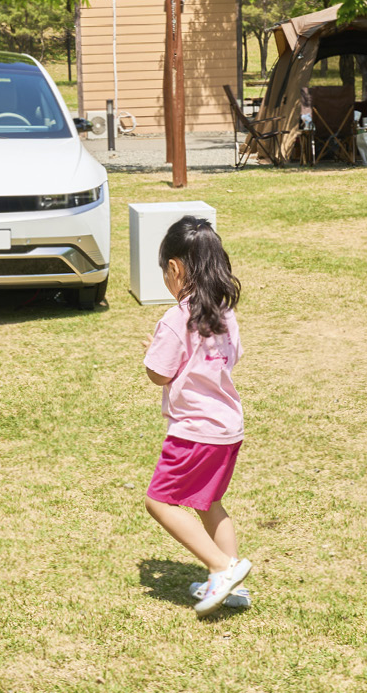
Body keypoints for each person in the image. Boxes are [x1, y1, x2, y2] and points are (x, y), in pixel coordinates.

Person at [142, 216, 252, 617]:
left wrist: (154, 350)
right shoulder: (223, 311)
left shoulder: (175, 319)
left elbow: (159, 374)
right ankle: (233, 584)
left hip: (195, 431)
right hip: (227, 427)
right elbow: (230, 357)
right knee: (209, 502)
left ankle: (222, 567)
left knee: (160, 502)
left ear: (174, 268)